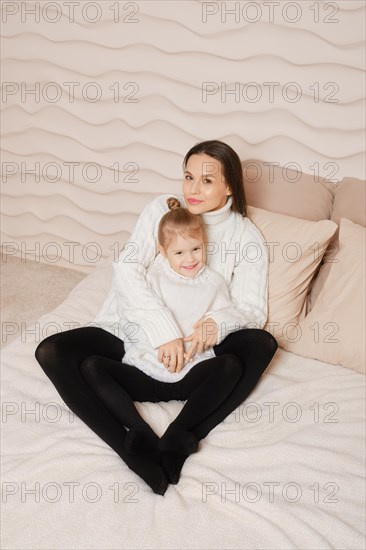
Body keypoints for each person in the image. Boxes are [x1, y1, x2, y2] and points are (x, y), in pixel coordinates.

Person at [35, 140, 278, 496]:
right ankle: (133, 448)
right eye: (188, 176)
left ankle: (183, 436)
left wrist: (215, 324)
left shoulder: (246, 236)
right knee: (51, 351)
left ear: (229, 185)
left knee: (262, 344)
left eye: (207, 180)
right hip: (135, 336)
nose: (194, 189)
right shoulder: (161, 210)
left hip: (197, 354)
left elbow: (252, 310)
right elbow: (128, 269)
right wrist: (162, 330)